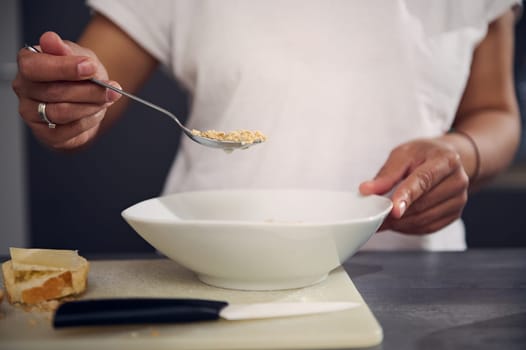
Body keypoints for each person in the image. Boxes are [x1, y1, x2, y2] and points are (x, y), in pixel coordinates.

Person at [12, 0, 522, 250]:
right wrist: (64, 97)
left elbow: (495, 114)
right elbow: (94, 88)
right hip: (212, 266)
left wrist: (462, 153)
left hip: (416, 273)